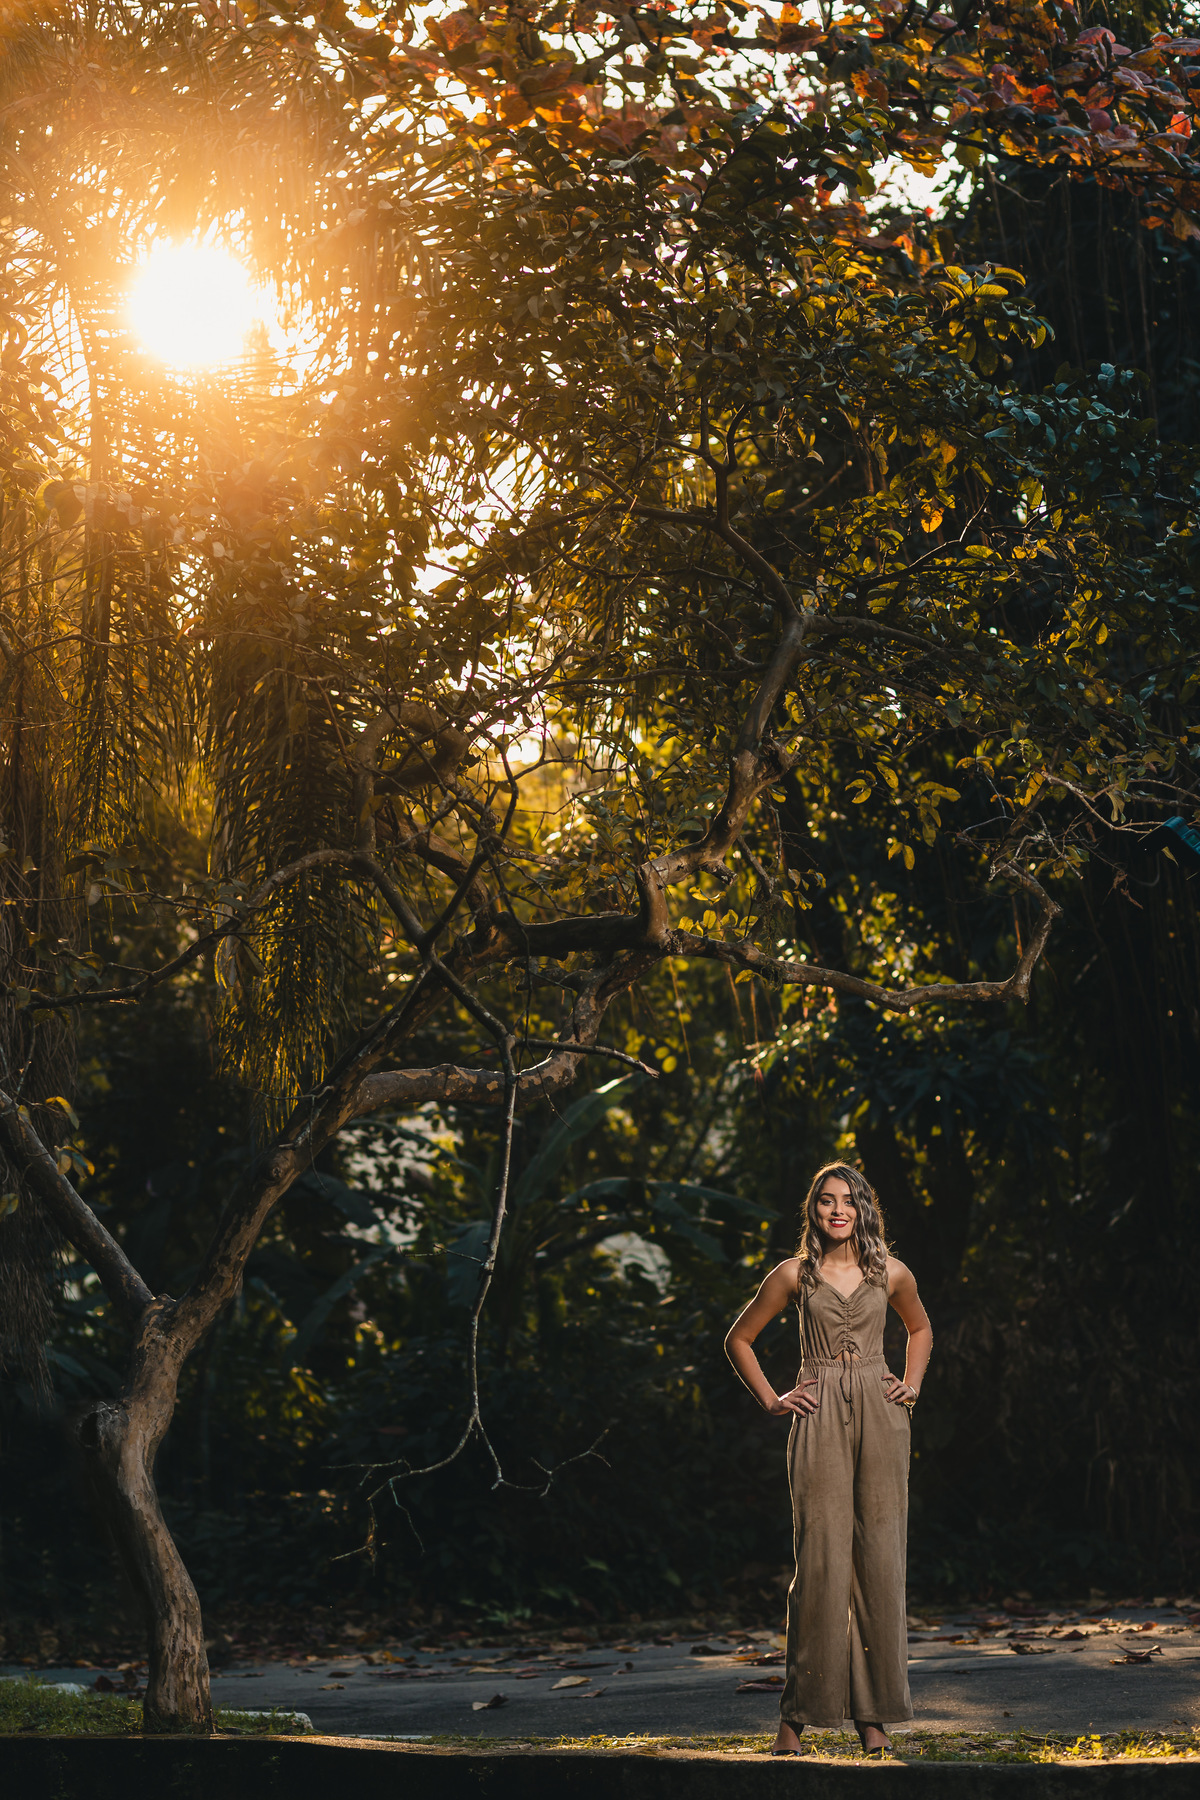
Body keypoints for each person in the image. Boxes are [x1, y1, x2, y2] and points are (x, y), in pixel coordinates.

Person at [725, 1161, 933, 1757]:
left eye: (847, 1200)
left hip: (882, 1415)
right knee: (819, 1563)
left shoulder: (891, 1272)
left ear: (864, 1207)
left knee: (880, 1560)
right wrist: (772, 1399)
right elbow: (739, 1338)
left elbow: (919, 1329)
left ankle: (875, 1717)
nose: (836, 1210)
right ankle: (798, 1715)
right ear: (813, 1211)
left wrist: (911, 1385)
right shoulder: (794, 1275)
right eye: (825, 1201)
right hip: (816, 1415)